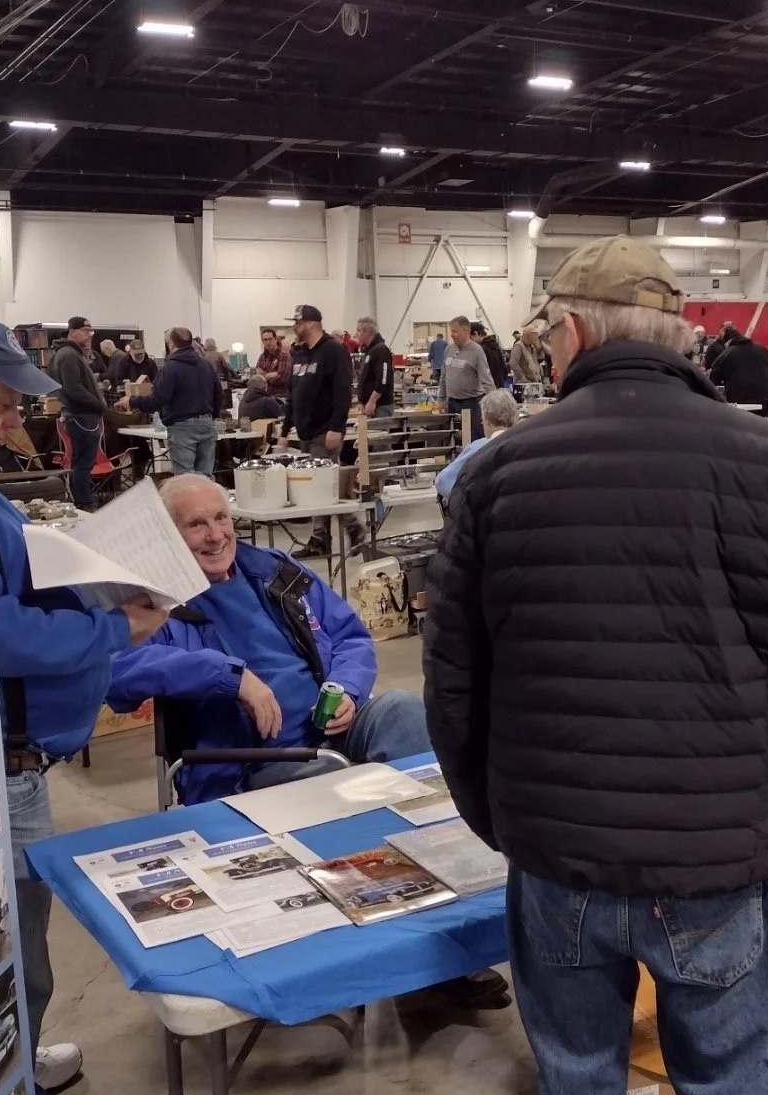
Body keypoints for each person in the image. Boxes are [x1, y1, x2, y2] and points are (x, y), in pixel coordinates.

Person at [423, 234, 768, 1095]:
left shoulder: (495, 476)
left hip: (559, 860)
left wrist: (509, 820)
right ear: (681, 337)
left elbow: (453, 692)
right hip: (717, 860)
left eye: (544, 331)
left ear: (569, 331)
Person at [104, 474, 510, 1009]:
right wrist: (230, 675)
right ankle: (383, 950)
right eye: (195, 524)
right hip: (247, 760)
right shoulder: (152, 600)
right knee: (336, 787)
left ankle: (442, 925)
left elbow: (349, 636)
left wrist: (345, 688)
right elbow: (116, 673)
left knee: (406, 714)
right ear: (168, 535)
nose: (214, 534)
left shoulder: (275, 572)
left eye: (220, 517)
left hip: (330, 730)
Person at [0, 311, 171, 1095]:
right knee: (18, 952)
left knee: (23, 943)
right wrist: (108, 624)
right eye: (5, 396)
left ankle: (16, 1060)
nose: (18, 417)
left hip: (16, 757)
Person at [124, 326, 222, 476]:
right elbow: (218, 395)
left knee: (185, 478)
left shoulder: (169, 368)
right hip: (207, 424)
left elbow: (158, 399)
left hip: (182, 426)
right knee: (206, 477)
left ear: (171, 344)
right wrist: (210, 416)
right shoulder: (206, 366)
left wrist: (132, 402)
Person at [50, 316, 106, 509]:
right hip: (82, 416)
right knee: (83, 464)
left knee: (79, 463)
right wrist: (99, 405)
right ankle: (85, 503)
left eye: (91, 331)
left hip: (81, 415)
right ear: (72, 331)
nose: (89, 334)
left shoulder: (72, 354)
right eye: (85, 330)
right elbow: (74, 389)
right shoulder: (68, 355)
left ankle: (81, 501)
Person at [285, 304, 353, 457]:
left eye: (298, 323)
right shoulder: (301, 354)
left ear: (310, 324)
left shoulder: (333, 350)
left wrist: (336, 428)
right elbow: (293, 394)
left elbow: (343, 392)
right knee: (306, 480)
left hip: (324, 433)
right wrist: (285, 430)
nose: (295, 327)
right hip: (304, 434)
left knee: (321, 479)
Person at [435, 387, 517, 505]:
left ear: (487, 421)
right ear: (516, 417)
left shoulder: (477, 448)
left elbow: (443, 482)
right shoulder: (529, 444)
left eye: (483, 419)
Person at [438, 314, 494, 441]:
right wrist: (441, 399)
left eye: (454, 331)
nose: (451, 334)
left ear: (465, 330)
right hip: (452, 404)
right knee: (453, 440)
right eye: (451, 331)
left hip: (472, 404)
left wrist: (494, 406)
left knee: (474, 440)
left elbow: (487, 381)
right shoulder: (448, 349)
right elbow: (443, 376)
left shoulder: (477, 351)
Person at [707, 328, 768, 416]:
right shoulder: (762, 349)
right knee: (764, 427)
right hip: (766, 397)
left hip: (742, 400)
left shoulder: (728, 353)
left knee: (743, 427)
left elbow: (713, 377)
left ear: (728, 342)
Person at [355, 317, 396, 419]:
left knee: (380, 434)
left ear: (368, 332)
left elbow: (383, 379)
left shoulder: (380, 350)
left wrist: (372, 401)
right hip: (370, 406)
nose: (356, 334)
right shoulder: (369, 351)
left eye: (359, 331)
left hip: (380, 406)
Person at [255, 327, 292, 400]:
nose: (268, 342)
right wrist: (271, 375)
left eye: (270, 339)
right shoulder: (262, 357)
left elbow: (282, 378)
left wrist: (264, 376)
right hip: (265, 396)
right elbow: (257, 378)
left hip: (280, 397)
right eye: (265, 340)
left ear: (275, 339)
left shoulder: (284, 355)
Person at [471, 322, 509, 390]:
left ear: (475, 334)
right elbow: (505, 371)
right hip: (499, 388)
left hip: (488, 391)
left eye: (470, 338)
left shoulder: (481, 350)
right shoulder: (496, 347)